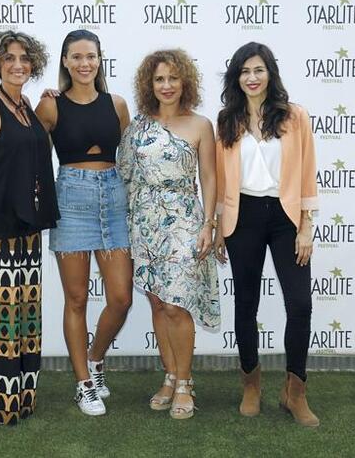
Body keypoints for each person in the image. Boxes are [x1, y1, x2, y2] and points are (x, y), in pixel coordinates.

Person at [214, 42, 320, 426]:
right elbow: (222, 181)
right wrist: (218, 228)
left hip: (285, 217)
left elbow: (307, 173)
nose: (252, 78)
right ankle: (251, 384)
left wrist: (307, 225)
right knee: (246, 303)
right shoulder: (226, 121)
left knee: (300, 304)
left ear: (270, 73)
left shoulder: (295, 117)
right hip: (243, 218)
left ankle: (295, 391)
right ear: (236, 77)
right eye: (245, 71)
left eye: (259, 70)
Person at [0, 30, 59, 425]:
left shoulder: (28, 107)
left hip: (28, 228)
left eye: (24, 58)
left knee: (26, 319)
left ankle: (23, 398)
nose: (17, 64)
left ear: (32, 63)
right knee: (0, 319)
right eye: (9, 58)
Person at [117, 49, 220, 420]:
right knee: (158, 302)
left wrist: (210, 223)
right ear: (150, 84)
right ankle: (170, 374)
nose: (166, 86)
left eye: (173, 78)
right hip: (144, 222)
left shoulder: (200, 125)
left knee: (177, 304)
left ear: (185, 82)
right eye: (159, 79)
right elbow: (124, 175)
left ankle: (185, 383)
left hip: (184, 220)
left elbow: (209, 177)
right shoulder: (137, 127)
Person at [35, 29, 132, 416]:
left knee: (121, 298)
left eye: (90, 56)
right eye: (76, 57)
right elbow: (27, 151)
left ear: (99, 59)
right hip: (71, 200)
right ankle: (83, 384)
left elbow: (131, 158)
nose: (84, 63)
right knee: (76, 298)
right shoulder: (50, 107)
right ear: (64, 61)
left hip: (113, 198)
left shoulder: (118, 104)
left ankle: (95, 357)